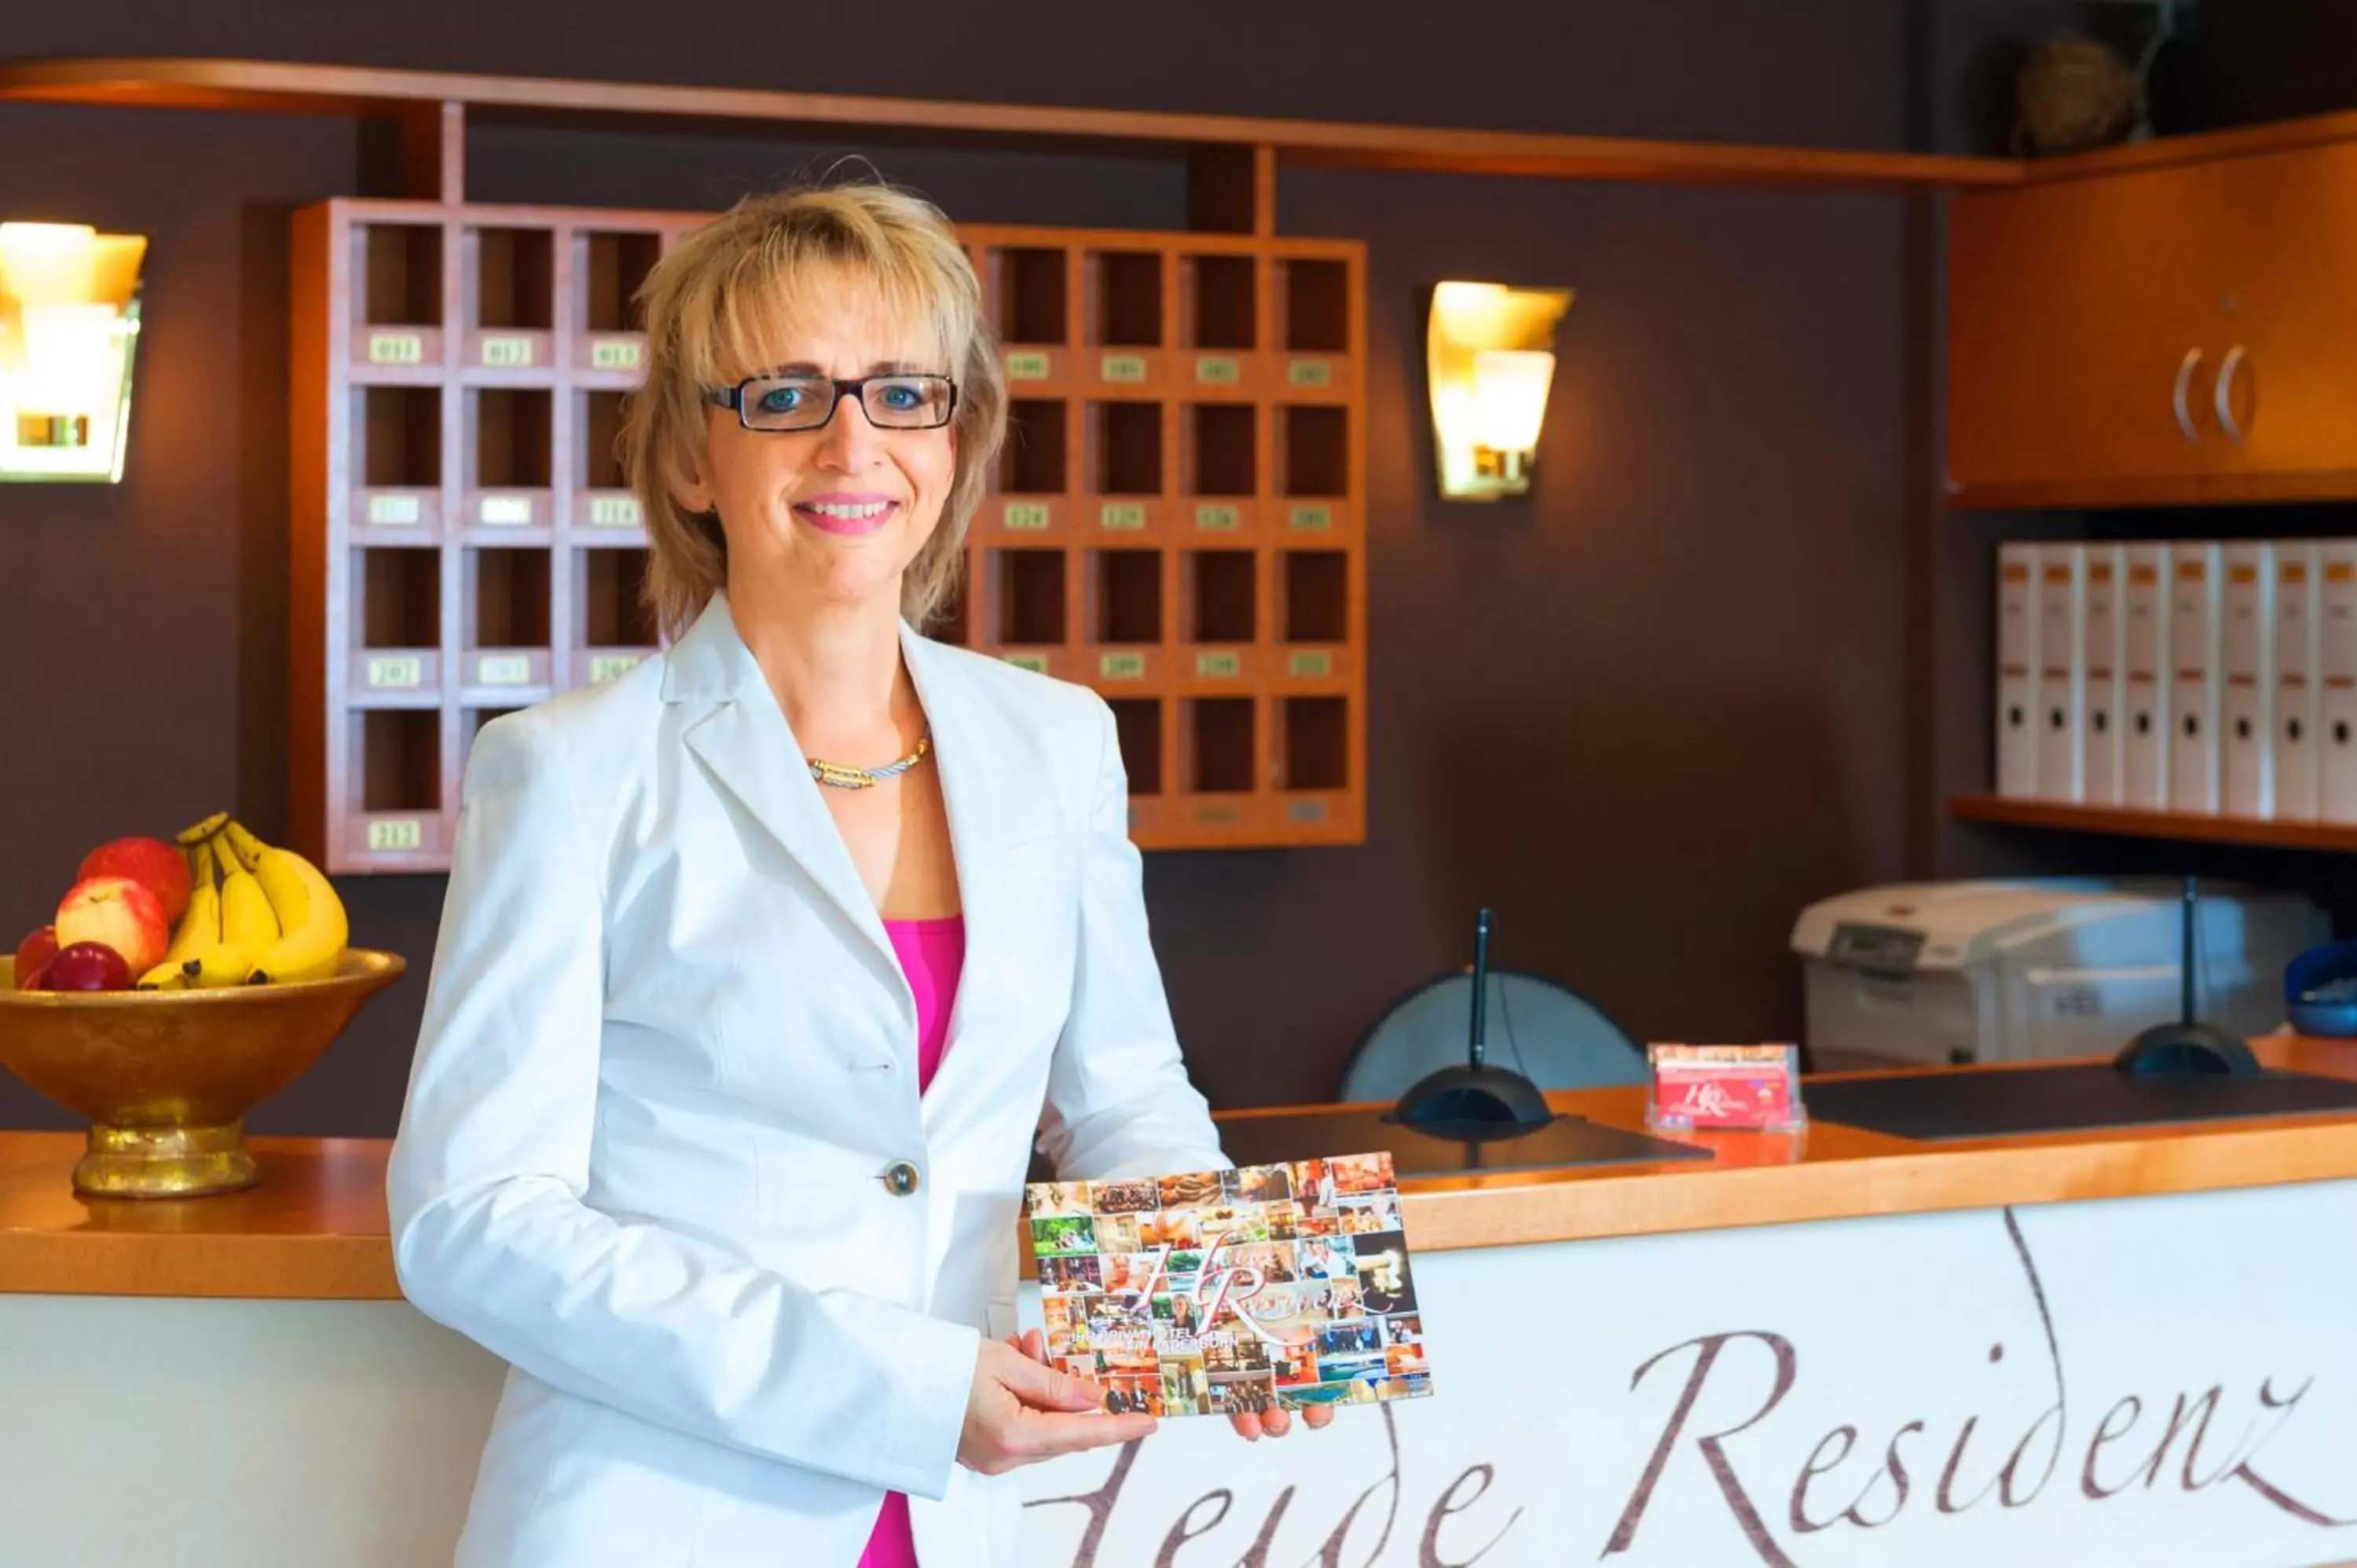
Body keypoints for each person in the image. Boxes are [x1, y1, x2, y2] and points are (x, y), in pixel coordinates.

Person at [385, 181, 1327, 1568]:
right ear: (695, 458)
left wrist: (1214, 1297)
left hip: (958, 1521)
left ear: (954, 442)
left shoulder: (1058, 744)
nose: (852, 443)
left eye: (903, 394)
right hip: (658, 1518)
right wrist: (905, 1385)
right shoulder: (571, 771)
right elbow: (473, 1222)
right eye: (785, 395)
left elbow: (1125, 1098)